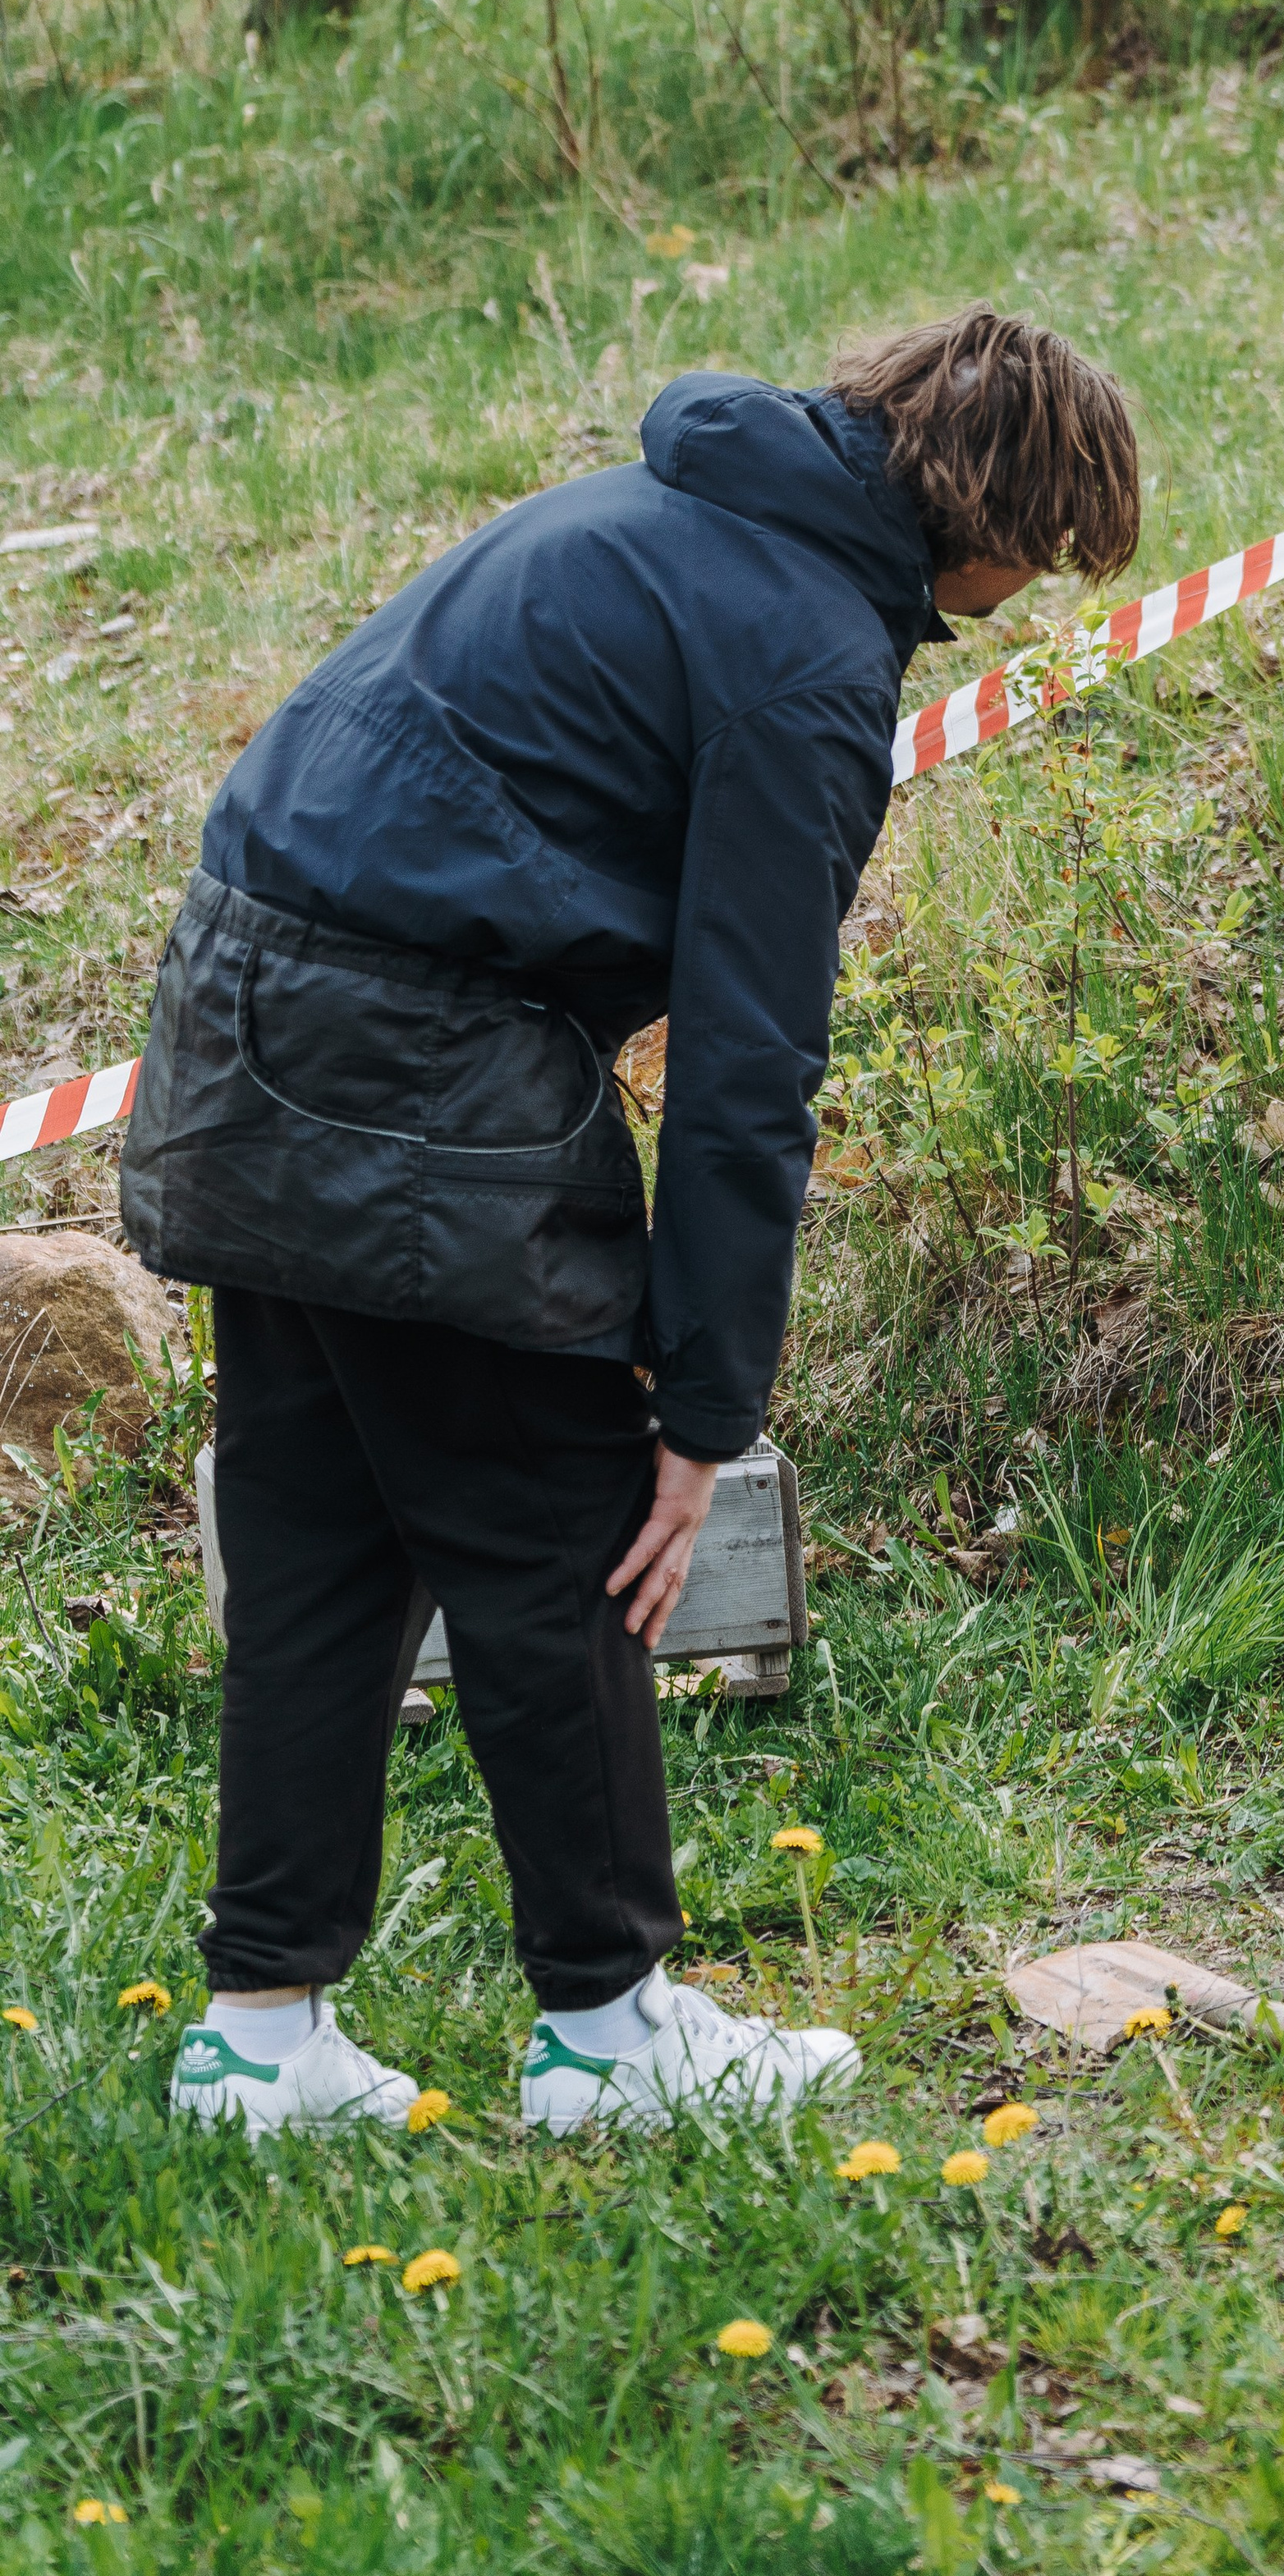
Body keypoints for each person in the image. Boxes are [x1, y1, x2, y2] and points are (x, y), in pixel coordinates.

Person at [121, 305, 1141, 2138]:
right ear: (990, 518)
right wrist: (698, 1414)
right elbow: (753, 1063)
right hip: (410, 1058)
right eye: (1042, 559)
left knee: (322, 1539)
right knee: (562, 1538)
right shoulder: (808, 654)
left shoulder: (651, 515)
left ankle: (256, 2037)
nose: (1029, 592)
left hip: (237, 1007)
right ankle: (608, 2030)